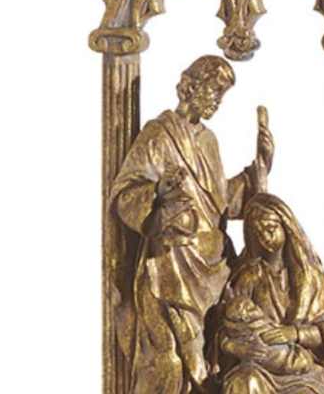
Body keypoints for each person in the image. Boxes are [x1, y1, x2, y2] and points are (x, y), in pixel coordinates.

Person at [110, 56, 274, 394]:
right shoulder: (158, 135)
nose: (217, 100)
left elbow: (221, 202)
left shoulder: (208, 140)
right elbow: (125, 196)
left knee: (214, 347)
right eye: (213, 91)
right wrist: (158, 192)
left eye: (222, 94)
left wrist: (259, 168)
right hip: (173, 261)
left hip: (212, 262)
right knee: (177, 356)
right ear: (189, 87)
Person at [217, 194, 324, 394]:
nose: (264, 237)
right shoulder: (248, 275)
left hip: (302, 371)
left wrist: (295, 333)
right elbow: (225, 329)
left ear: (286, 227)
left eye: (270, 228)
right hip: (258, 366)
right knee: (243, 382)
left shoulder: (309, 277)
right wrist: (238, 348)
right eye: (257, 232)